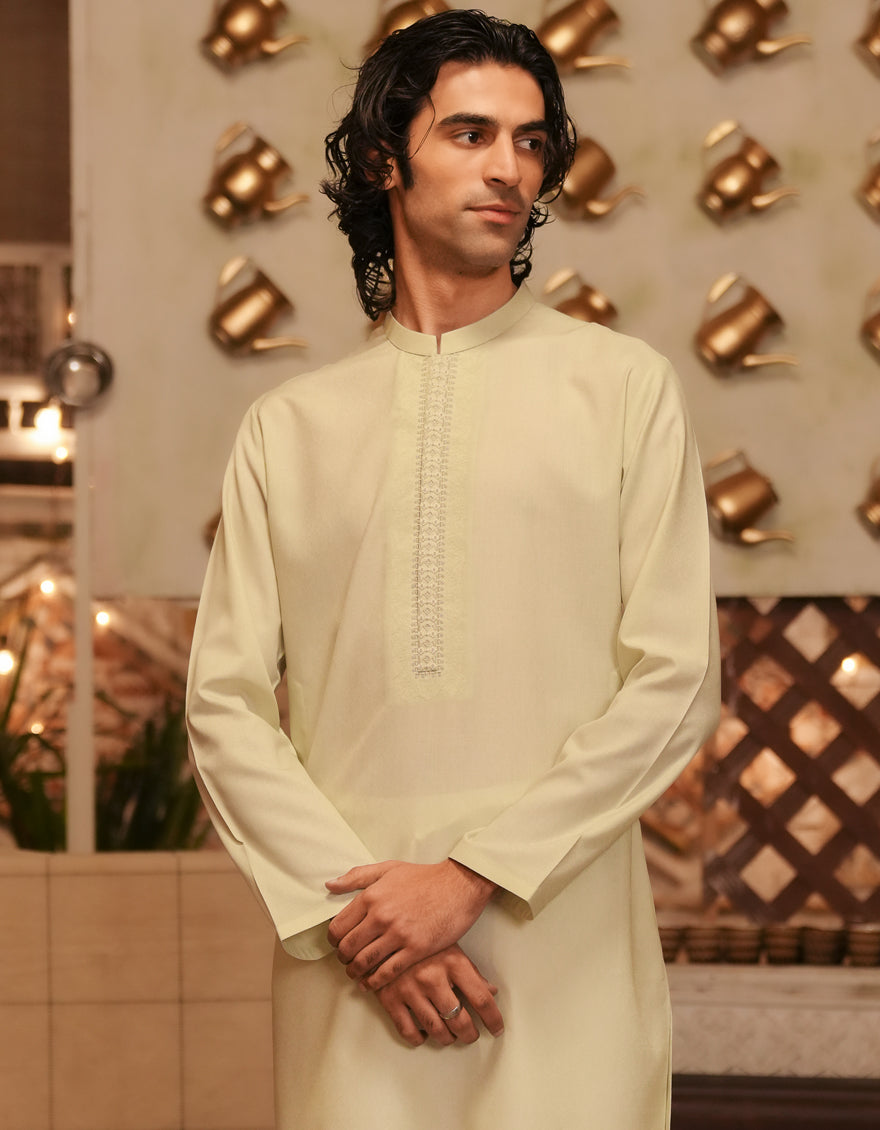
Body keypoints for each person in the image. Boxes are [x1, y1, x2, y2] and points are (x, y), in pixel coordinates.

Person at [186, 10, 721, 1129]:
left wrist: (470, 878)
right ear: (386, 158)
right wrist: (367, 924)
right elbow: (223, 706)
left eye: (530, 142)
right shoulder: (289, 428)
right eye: (471, 133)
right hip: (353, 956)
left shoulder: (621, 389)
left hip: (562, 949)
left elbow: (674, 679)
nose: (509, 169)